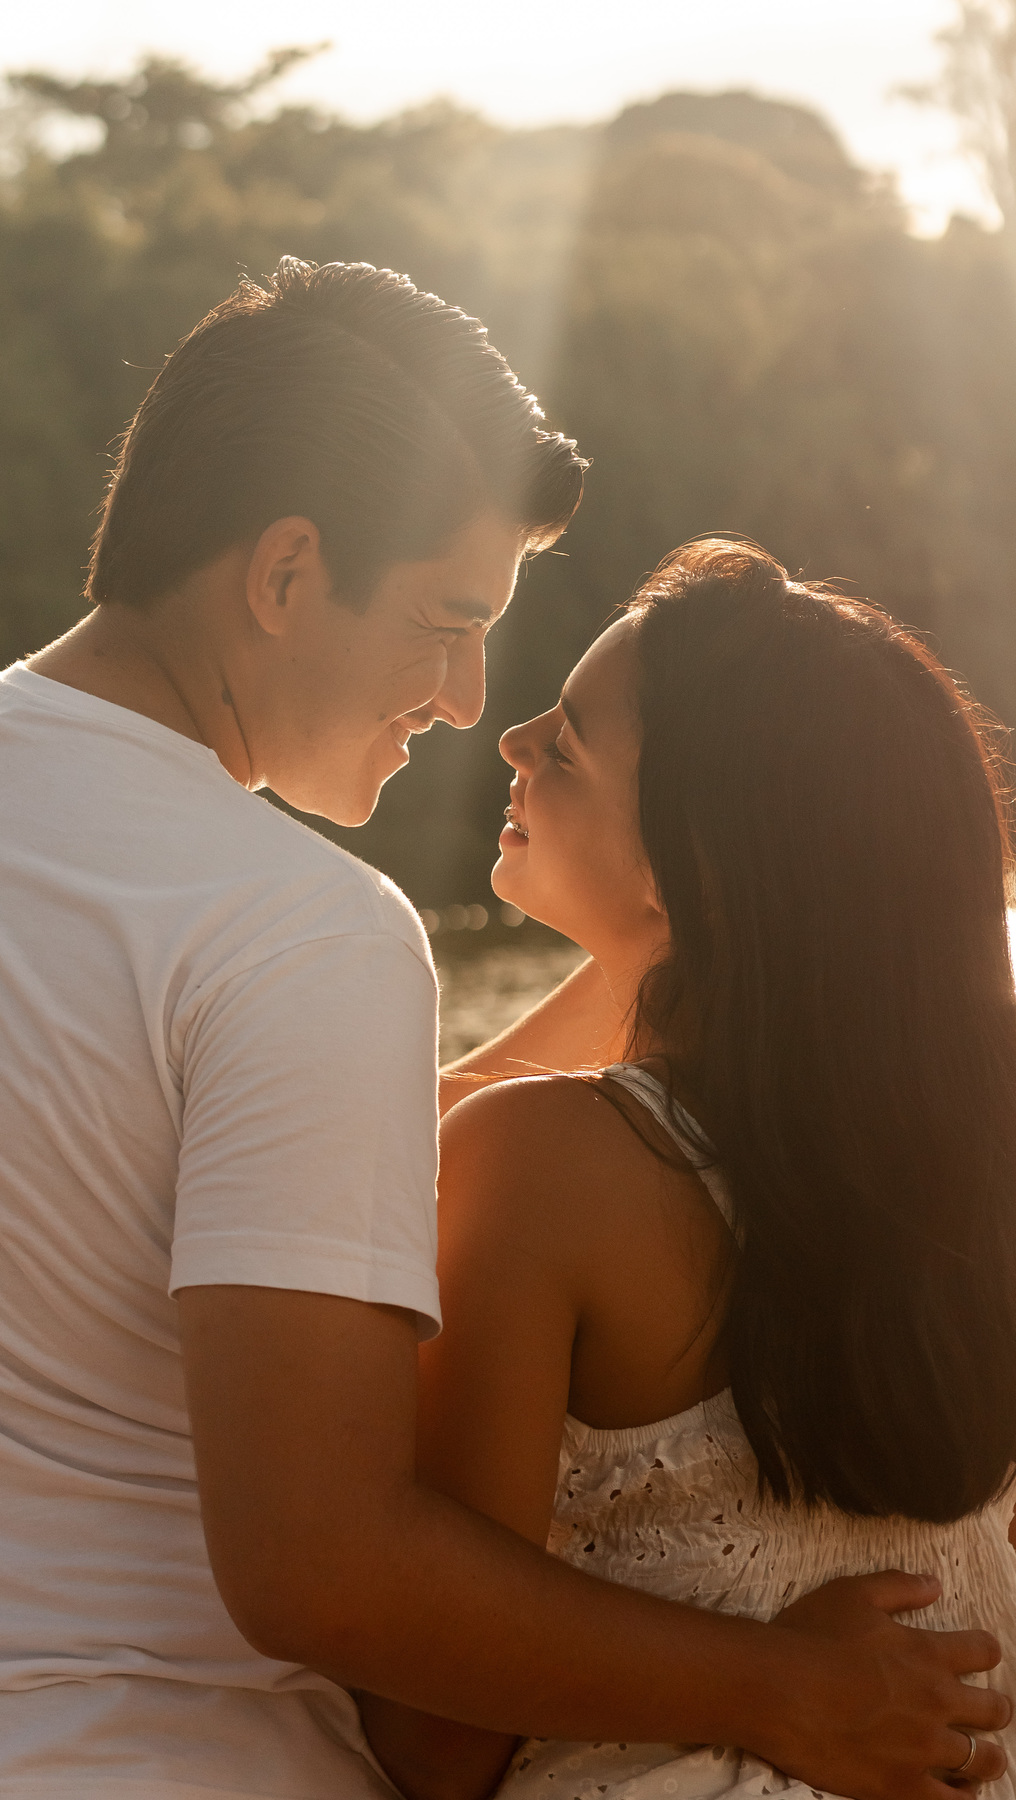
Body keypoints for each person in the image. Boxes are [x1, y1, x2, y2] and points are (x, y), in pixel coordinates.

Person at [0, 266, 1004, 1800]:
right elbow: (321, 1565)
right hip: (158, 1760)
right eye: (448, 621)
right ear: (288, 570)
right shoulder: (302, 929)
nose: (464, 698)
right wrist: (785, 1688)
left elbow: (269, 1150)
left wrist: (687, 950)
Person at [359, 538, 1016, 1800]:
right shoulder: (962, 1159)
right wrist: (656, 944)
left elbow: (431, 1742)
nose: (514, 740)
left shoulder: (544, 1171)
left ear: (691, 868)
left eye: (570, 740)